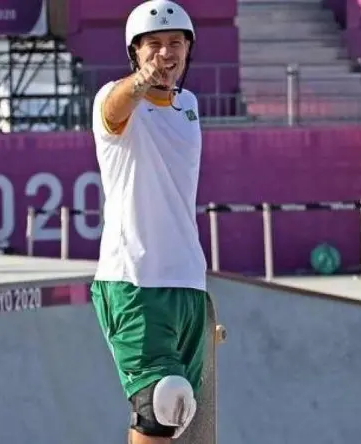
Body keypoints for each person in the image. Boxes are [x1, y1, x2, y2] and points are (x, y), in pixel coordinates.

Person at [89, 1, 207, 443]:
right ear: (134, 53)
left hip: (188, 282)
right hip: (135, 280)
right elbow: (115, 108)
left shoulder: (188, 105)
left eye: (175, 42)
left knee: (177, 419)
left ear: (188, 49)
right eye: (153, 44)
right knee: (160, 403)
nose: (165, 53)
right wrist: (142, 80)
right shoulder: (116, 101)